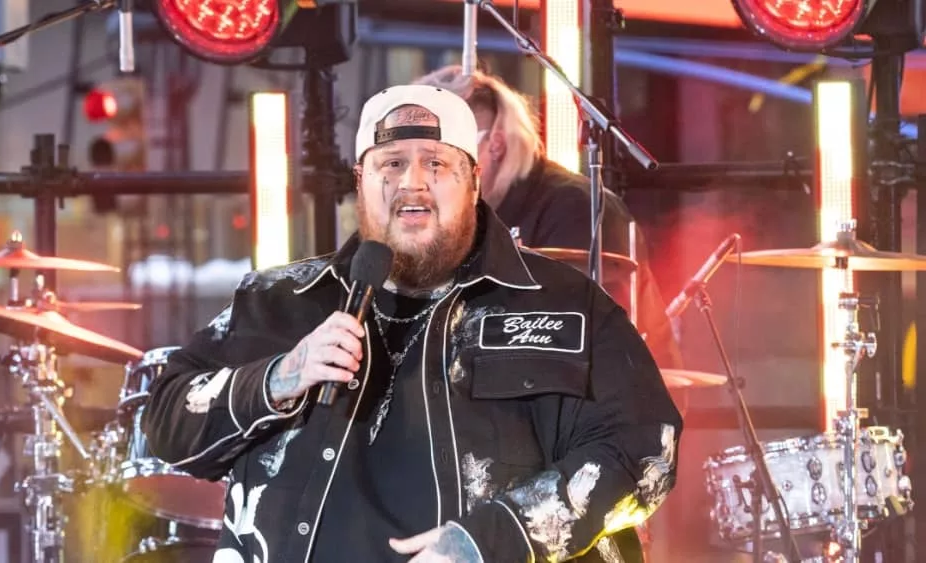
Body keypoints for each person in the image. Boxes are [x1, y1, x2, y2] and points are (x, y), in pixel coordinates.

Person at [142, 84, 682, 563]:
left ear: (473, 181)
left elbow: (644, 450)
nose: (413, 183)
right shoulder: (277, 300)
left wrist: (495, 540)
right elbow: (164, 420)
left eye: (436, 163)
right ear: (362, 180)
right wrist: (280, 376)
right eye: (392, 163)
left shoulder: (565, 305)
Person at [414, 66, 682, 370]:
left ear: (495, 145)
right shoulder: (467, 219)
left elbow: (566, 341)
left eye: (438, 156)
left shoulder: (573, 207)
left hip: (606, 403)